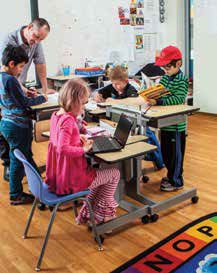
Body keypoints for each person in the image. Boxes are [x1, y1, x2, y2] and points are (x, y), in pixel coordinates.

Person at [45, 79, 120, 224]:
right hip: (72, 179)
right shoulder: (68, 121)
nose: (85, 107)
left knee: (99, 179)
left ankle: (88, 212)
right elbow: (62, 148)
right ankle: (101, 214)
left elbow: (59, 140)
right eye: (84, 103)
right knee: (114, 174)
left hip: (60, 176)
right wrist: (83, 149)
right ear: (74, 101)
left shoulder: (56, 115)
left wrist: (77, 137)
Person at [0, 18, 55, 181]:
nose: (36, 42)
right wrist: (25, 92)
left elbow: (41, 65)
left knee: (17, 133)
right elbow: (6, 71)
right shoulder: (9, 40)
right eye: (36, 37)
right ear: (29, 27)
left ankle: (24, 165)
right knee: (6, 131)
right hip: (5, 87)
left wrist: (44, 90)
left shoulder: (37, 42)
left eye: (41, 40)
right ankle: (9, 165)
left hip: (17, 85)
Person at [0, 45, 47, 204]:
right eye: (20, 67)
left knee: (25, 156)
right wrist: (42, 98)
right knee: (17, 160)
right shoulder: (11, 79)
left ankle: (40, 185)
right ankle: (15, 194)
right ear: (12, 64)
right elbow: (24, 104)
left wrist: (25, 92)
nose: (21, 71)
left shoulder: (1, 77)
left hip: (6, 122)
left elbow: (14, 98)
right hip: (17, 126)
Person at [146, 45, 189, 191]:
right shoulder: (166, 77)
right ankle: (171, 176)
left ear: (178, 63)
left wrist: (159, 101)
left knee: (175, 156)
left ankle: (176, 181)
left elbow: (178, 98)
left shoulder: (182, 80)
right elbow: (159, 91)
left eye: (168, 67)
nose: (165, 70)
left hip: (176, 125)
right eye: (163, 67)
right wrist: (151, 94)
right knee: (166, 153)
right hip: (165, 124)